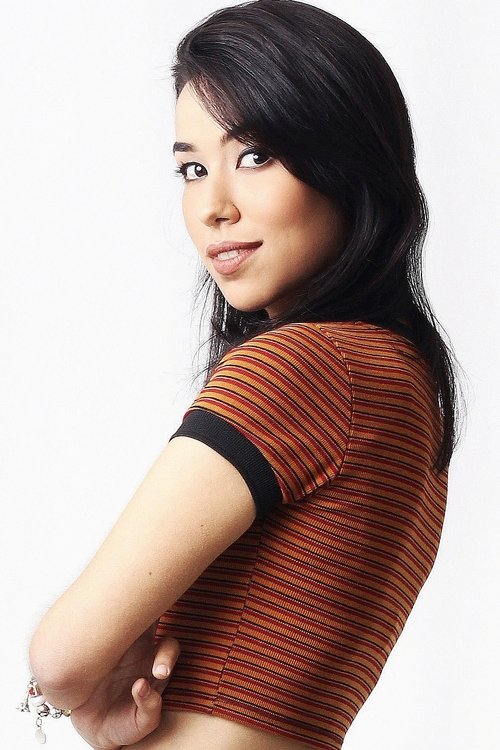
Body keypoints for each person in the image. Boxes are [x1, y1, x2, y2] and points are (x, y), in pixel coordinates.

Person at [26, 1, 463, 748]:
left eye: (255, 155)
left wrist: (79, 687)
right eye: (192, 169)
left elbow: (62, 655)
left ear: (346, 160)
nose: (213, 207)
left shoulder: (311, 366)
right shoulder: (403, 382)